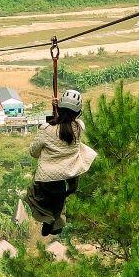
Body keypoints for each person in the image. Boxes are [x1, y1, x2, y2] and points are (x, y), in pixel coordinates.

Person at [26, 89, 97, 236]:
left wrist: (55, 110)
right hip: (70, 173)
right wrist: (58, 108)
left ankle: (49, 218)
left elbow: (34, 152)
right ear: (78, 113)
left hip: (48, 177)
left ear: (59, 109)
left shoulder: (46, 129)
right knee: (59, 197)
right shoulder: (78, 128)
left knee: (34, 195)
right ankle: (54, 220)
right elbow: (64, 123)